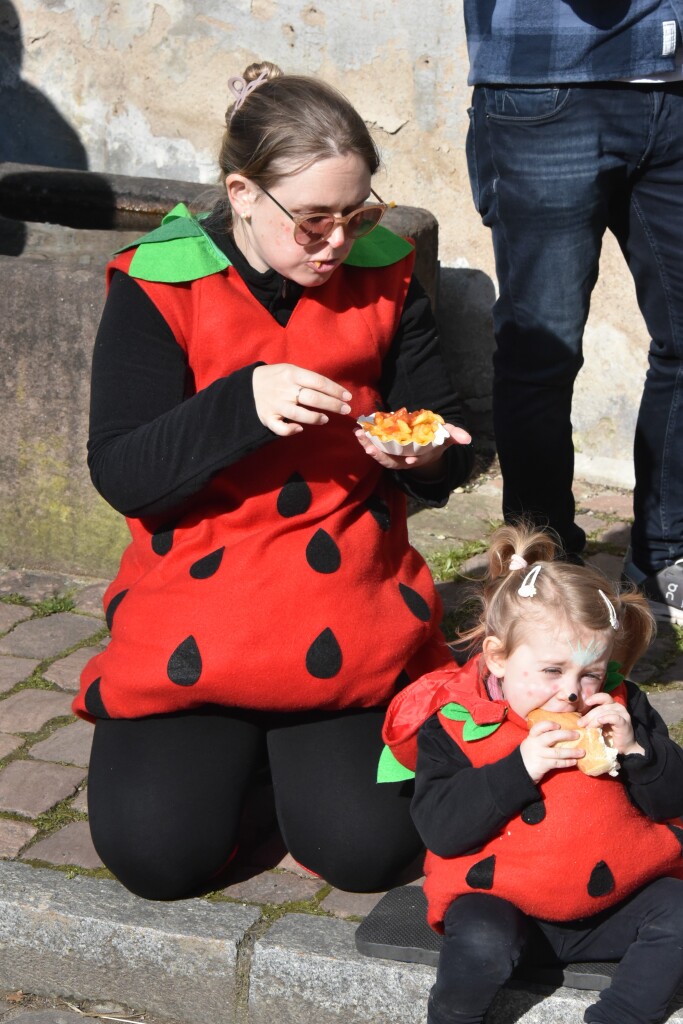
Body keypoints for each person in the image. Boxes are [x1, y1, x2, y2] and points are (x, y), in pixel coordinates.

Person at [73, 61, 473, 900]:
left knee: (365, 852)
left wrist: (428, 456)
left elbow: (444, 428)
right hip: (196, 601)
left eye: (356, 213)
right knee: (158, 859)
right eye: (314, 221)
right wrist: (239, 404)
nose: (336, 242)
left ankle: (285, 768)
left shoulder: (386, 271)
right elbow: (124, 475)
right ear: (243, 193)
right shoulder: (159, 280)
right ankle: (243, 766)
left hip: (345, 598)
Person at [379, 524, 683, 1024]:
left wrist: (635, 750)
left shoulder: (623, 705)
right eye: (551, 671)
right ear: (498, 658)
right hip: (505, 906)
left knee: (678, 907)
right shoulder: (457, 723)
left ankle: (621, 1016)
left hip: (614, 900)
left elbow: (671, 801)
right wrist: (520, 769)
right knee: (478, 938)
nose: (571, 693)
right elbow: (442, 828)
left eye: (590, 671)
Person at [462, 1, 683, 622]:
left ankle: (665, 552)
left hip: (677, 83)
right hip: (549, 82)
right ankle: (544, 567)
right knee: (543, 346)